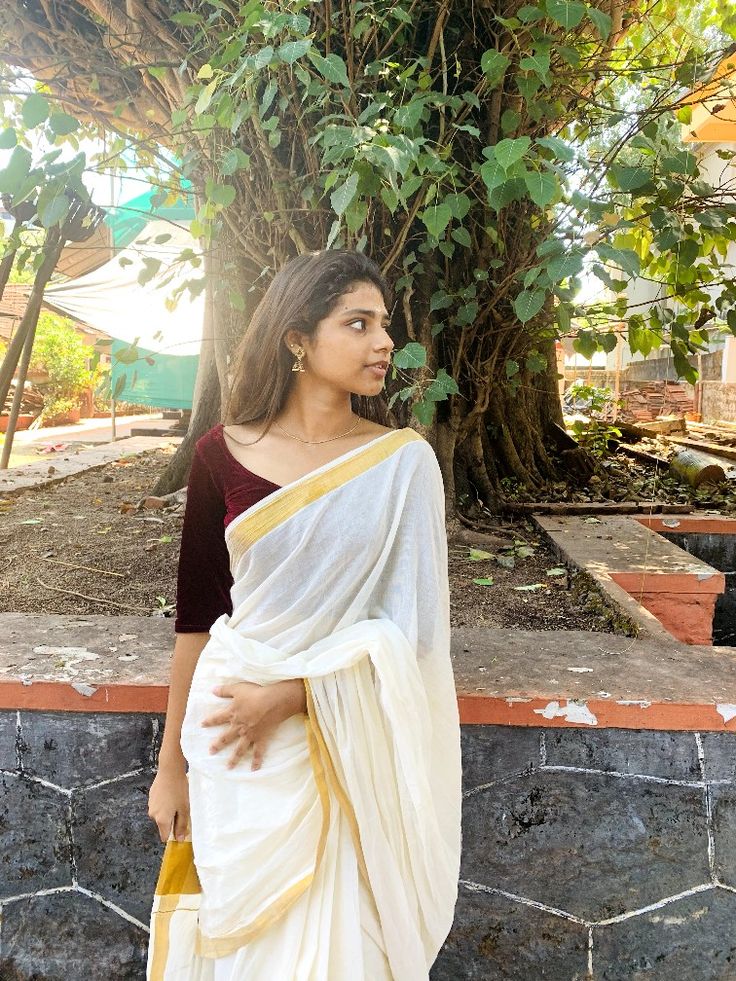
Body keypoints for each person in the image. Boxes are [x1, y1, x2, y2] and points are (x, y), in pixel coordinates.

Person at [146, 250, 461, 980]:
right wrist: (172, 770)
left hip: (350, 756)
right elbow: (197, 620)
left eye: (384, 324)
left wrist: (295, 697)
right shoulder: (218, 455)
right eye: (358, 323)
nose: (384, 342)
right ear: (297, 338)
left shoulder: (401, 464)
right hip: (235, 752)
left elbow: (411, 639)